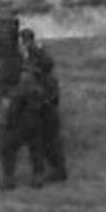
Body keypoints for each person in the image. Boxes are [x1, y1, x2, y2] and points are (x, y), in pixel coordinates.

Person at [20, 29, 67, 182]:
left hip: (45, 110)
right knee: (48, 142)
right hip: (46, 108)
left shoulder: (37, 58)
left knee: (46, 142)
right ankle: (55, 170)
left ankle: (53, 171)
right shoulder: (37, 56)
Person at [0, 64, 46, 189]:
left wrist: (6, 122)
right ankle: (38, 177)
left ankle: (8, 180)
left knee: (8, 150)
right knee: (36, 152)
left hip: (19, 126)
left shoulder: (20, 90)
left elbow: (12, 109)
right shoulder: (39, 90)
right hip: (37, 125)